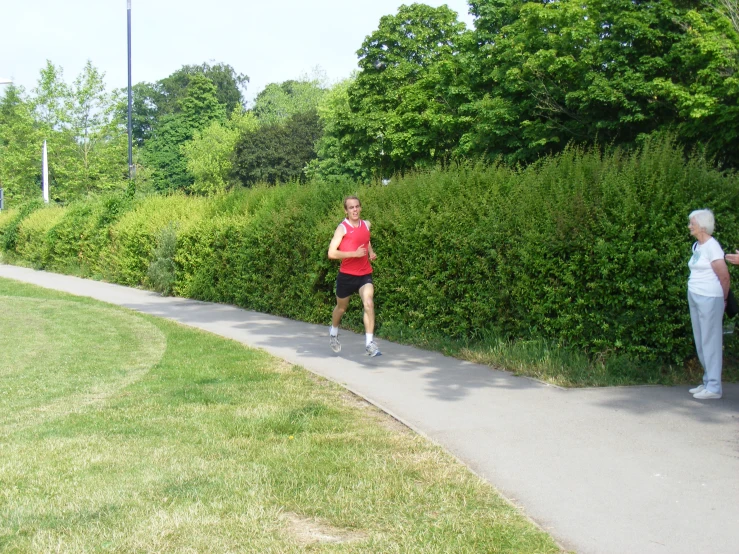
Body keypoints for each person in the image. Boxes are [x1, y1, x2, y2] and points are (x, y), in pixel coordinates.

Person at [327, 196, 381, 357]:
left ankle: (369, 344)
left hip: (364, 274)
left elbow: (366, 239)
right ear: (346, 211)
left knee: (369, 303)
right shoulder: (342, 228)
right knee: (341, 308)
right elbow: (331, 253)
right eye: (351, 207)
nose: (355, 210)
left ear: (361, 208)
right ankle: (333, 332)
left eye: (357, 206)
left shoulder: (366, 224)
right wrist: (354, 254)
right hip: (346, 276)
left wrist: (370, 252)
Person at [687, 209, 730, 400]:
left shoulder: (713, 247)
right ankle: (707, 381)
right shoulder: (697, 246)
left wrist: (724, 299)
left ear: (702, 226)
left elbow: (724, 276)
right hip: (695, 295)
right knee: (701, 340)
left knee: (710, 341)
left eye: (692, 223)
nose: (690, 227)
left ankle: (714, 387)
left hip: (710, 297)